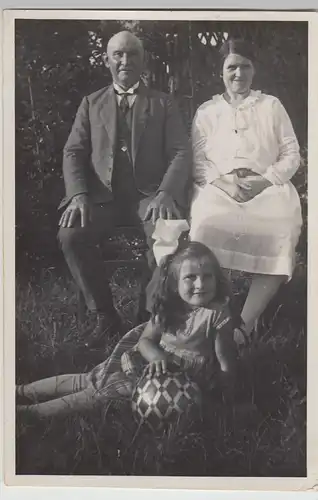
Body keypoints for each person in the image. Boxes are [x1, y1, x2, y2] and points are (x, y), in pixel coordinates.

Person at [57, 30, 190, 346]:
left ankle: (146, 319)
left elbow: (181, 151)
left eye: (132, 54)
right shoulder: (91, 103)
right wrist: (78, 194)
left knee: (167, 233)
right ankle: (103, 314)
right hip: (102, 199)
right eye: (118, 54)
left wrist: (166, 192)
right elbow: (73, 151)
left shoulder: (162, 103)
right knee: (71, 235)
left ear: (143, 61)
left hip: (149, 197)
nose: (126, 60)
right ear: (107, 60)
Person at [16, 241, 244, 419]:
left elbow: (225, 359)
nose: (200, 284)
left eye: (207, 277)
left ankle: (35, 412)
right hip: (149, 363)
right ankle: (23, 390)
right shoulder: (169, 307)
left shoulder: (217, 313)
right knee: (90, 378)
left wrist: (228, 397)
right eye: (190, 278)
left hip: (181, 377)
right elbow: (146, 340)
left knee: (101, 393)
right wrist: (156, 356)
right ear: (174, 283)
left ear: (217, 278)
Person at [189, 38, 303, 344]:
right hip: (220, 186)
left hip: (266, 186)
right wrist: (225, 182)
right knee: (204, 225)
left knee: (280, 228)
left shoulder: (271, 106)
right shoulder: (207, 111)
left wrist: (265, 180)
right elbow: (199, 162)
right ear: (221, 72)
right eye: (231, 67)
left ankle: (243, 325)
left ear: (254, 71)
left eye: (245, 66)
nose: (238, 73)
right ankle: (211, 317)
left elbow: (292, 154)